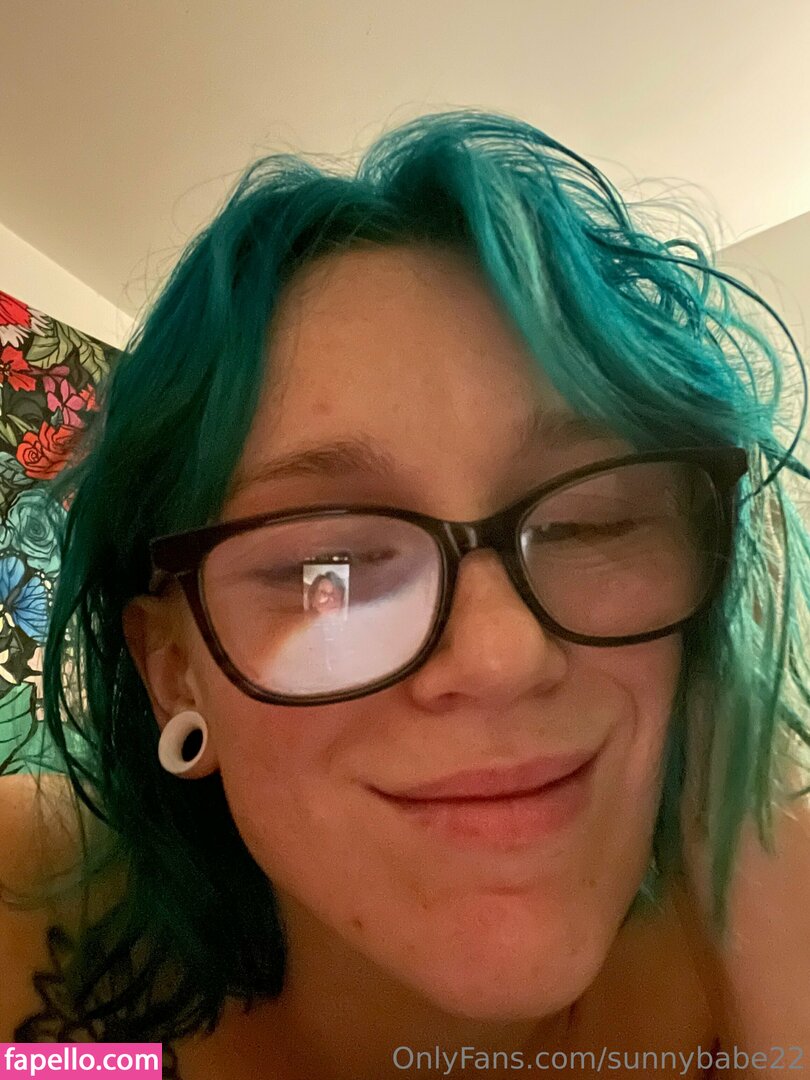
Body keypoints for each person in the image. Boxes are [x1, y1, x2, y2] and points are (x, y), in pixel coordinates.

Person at [1, 109, 809, 1080]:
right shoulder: (23, 914)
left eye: (589, 525)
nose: (503, 655)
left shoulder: (767, 961)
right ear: (174, 670)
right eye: (331, 567)